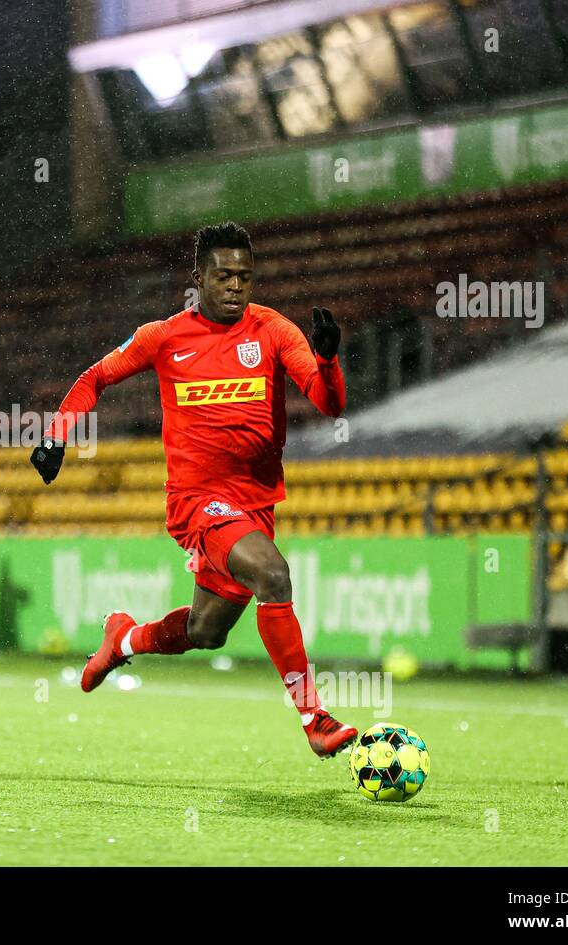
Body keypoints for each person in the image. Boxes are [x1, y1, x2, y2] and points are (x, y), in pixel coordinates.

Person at [29, 221, 358, 759]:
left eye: (245, 278)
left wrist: (327, 360)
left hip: (254, 502)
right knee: (273, 574)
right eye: (224, 276)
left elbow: (329, 404)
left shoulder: (273, 331)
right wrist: (58, 436)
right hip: (197, 501)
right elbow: (94, 378)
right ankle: (314, 717)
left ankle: (124, 639)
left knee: (206, 632)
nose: (235, 286)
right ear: (199, 277)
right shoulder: (164, 337)